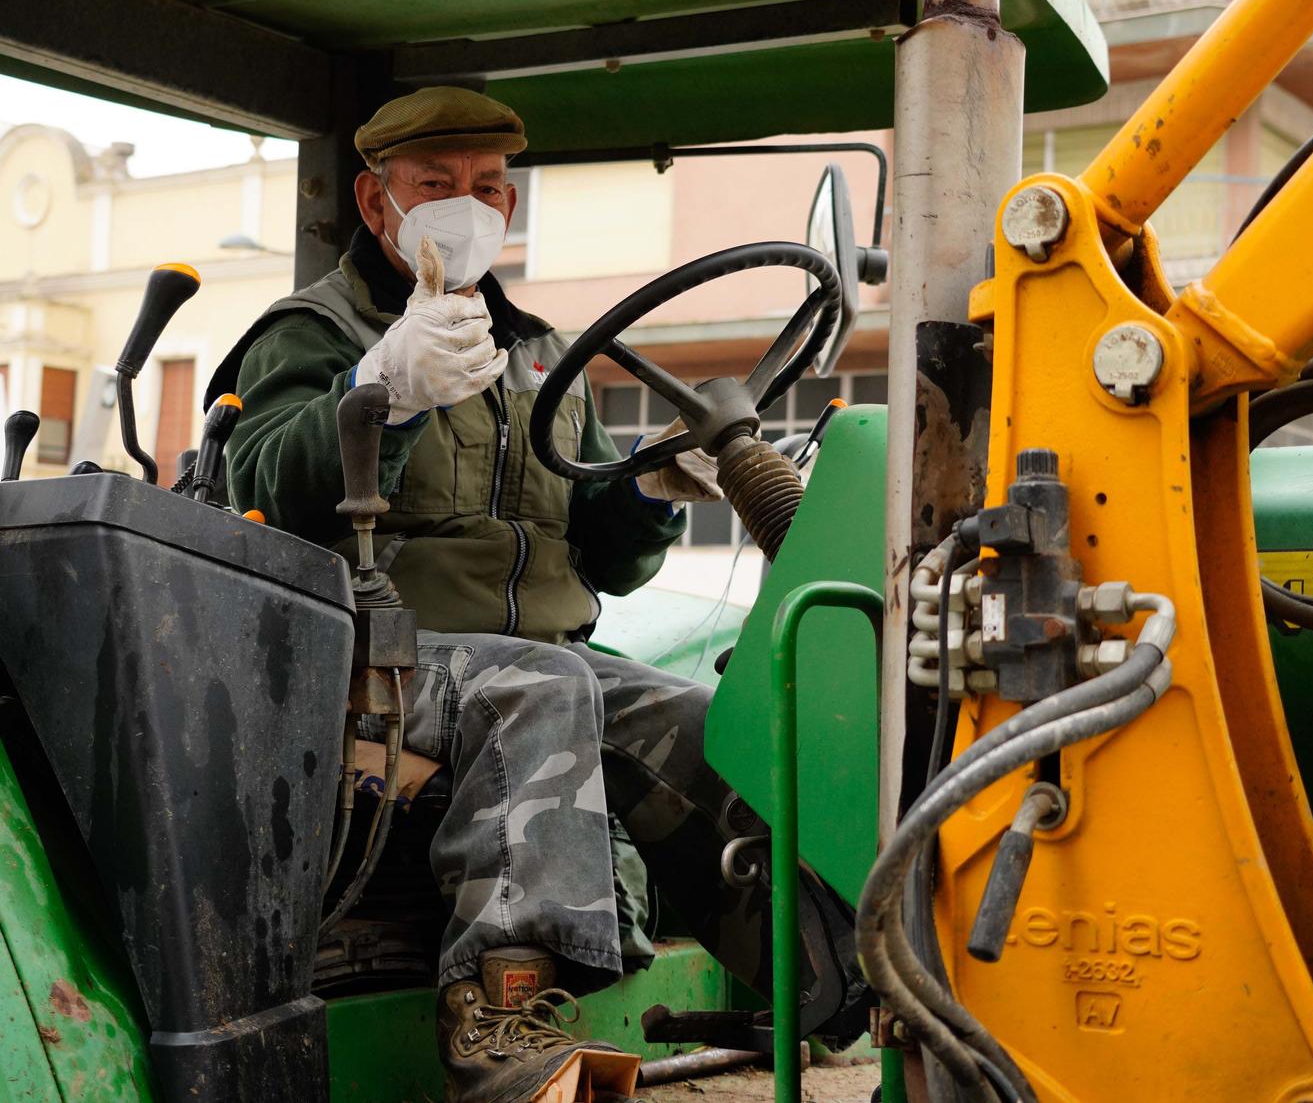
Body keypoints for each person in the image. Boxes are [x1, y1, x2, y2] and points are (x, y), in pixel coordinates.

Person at [215, 87, 859, 1102]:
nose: (464, 206)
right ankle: (501, 1018)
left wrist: (648, 487)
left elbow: (604, 561)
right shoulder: (312, 330)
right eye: (434, 186)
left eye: (485, 187)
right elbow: (261, 485)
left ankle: (822, 978)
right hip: (363, 655)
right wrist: (375, 391)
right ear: (376, 203)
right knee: (539, 685)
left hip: (539, 656)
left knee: (701, 717)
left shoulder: (532, 355)